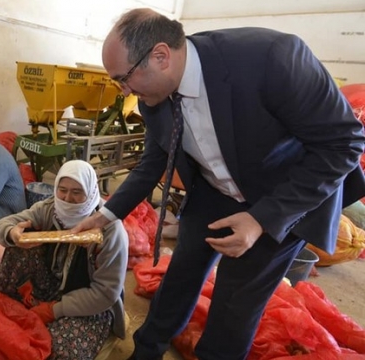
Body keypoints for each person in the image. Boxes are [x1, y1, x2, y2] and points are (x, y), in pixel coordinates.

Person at [71, 8, 365, 360]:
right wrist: (106, 215)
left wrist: (261, 219)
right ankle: (146, 351)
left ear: (161, 56)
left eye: (123, 79)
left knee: (233, 306)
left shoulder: (271, 58)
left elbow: (344, 143)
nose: (123, 91)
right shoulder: (153, 93)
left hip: (281, 199)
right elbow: (153, 162)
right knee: (179, 277)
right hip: (213, 193)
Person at [0, 160, 129, 360]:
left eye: (77, 192)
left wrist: (54, 310)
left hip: (89, 302)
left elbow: (106, 293)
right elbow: (4, 224)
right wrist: (12, 233)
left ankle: (56, 315)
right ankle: (12, 302)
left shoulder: (110, 230)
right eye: (62, 190)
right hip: (52, 284)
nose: (67, 198)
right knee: (18, 247)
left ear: (91, 192)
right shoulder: (49, 209)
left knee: (60, 351)